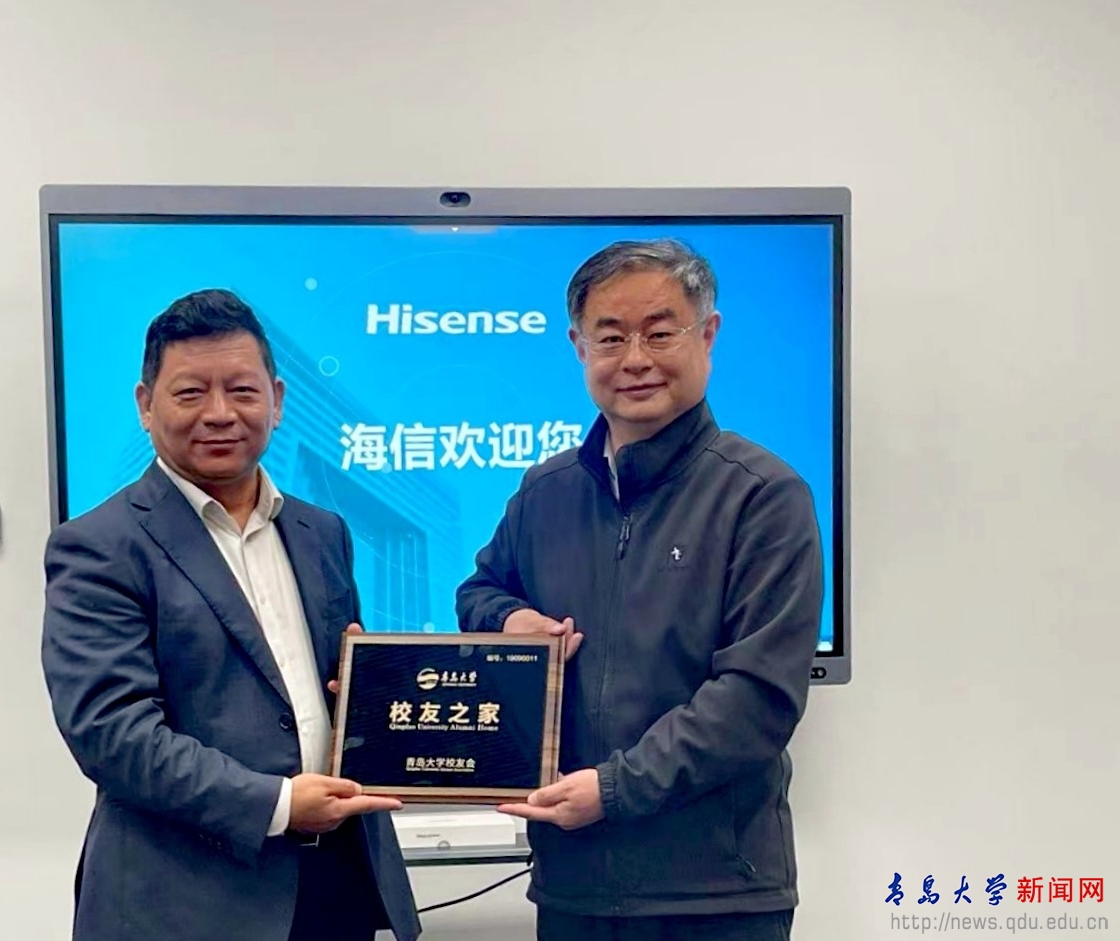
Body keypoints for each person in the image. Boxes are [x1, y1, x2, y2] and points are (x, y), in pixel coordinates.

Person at [456, 239, 823, 941]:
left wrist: (613, 789)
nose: (634, 359)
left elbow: (757, 699)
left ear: (707, 334)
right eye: (610, 337)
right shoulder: (545, 491)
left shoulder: (762, 495)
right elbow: (479, 590)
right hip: (574, 886)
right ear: (578, 346)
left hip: (715, 895)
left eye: (659, 333)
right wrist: (508, 620)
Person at [41, 289, 420, 941]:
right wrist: (278, 803)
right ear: (145, 404)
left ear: (277, 400)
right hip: (185, 902)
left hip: (335, 882)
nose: (219, 414)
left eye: (242, 391)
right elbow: (112, 733)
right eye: (190, 393)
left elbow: (336, 690)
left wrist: (369, 692)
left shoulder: (322, 531)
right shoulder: (98, 546)